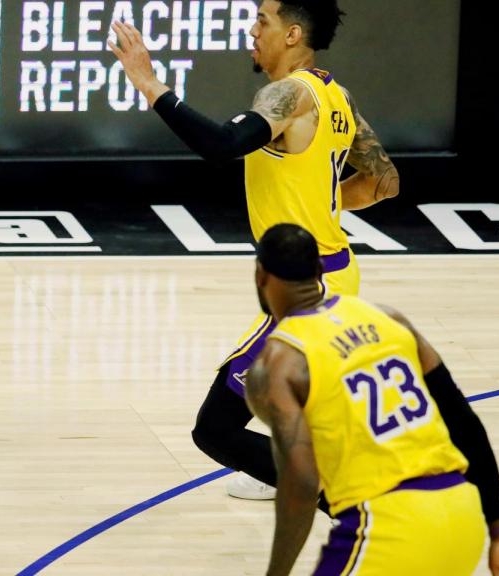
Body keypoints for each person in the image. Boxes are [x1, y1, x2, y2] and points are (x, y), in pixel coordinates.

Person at [110, 0, 399, 499]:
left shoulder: (288, 94)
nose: (251, 29)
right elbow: (384, 182)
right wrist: (321, 203)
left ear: (291, 34)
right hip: (337, 272)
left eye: (261, 21)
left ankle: (343, 491)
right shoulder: (336, 96)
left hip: (309, 292)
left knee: (214, 430)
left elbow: (223, 144)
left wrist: (149, 84)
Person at [245, 223, 499, 576]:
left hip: (385, 526)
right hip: (463, 514)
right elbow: (463, 421)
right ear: (319, 271)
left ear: (260, 274)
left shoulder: (277, 364)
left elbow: (301, 484)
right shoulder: (389, 318)